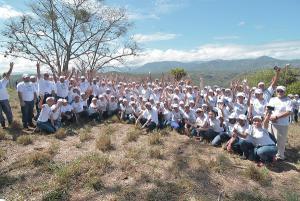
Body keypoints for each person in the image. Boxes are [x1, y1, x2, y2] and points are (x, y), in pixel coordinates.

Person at [268, 86, 293, 160]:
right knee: (271, 140)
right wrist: (270, 117)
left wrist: (276, 117)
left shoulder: (288, 100)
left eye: (281, 91)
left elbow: (288, 112)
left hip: (282, 124)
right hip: (271, 123)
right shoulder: (273, 99)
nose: (279, 92)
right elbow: (269, 109)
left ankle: (280, 156)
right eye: (278, 91)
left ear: (284, 92)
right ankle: (272, 155)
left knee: (280, 141)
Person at [0, 62, 14, 129]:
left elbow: (8, 75)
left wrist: (11, 68)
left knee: (8, 111)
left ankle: (11, 123)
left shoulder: (2, 81)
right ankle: (3, 124)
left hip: (4, 99)